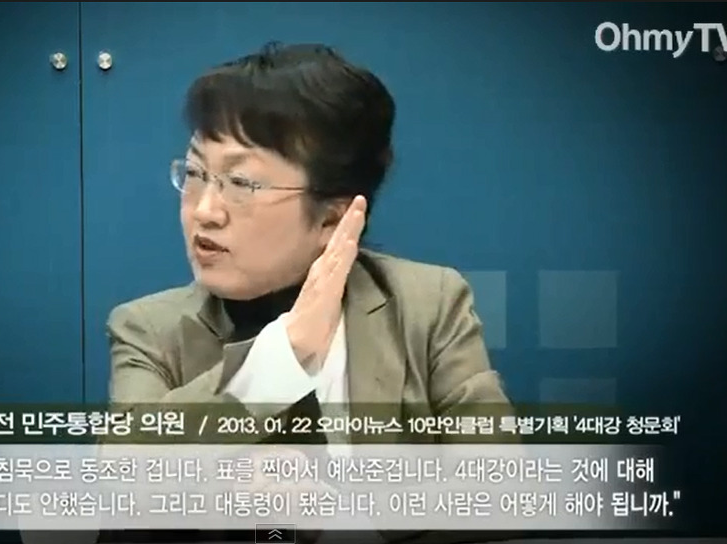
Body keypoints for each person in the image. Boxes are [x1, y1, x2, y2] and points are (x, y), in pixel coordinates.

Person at [104, 42, 515, 544]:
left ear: (332, 218)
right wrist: (283, 353)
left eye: (241, 182)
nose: (205, 210)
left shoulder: (427, 305)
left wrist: (338, 517)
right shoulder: (149, 329)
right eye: (194, 174)